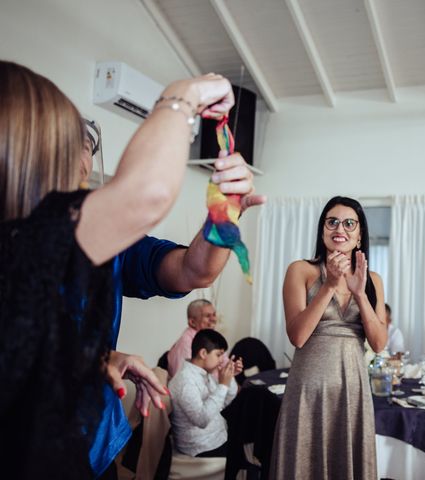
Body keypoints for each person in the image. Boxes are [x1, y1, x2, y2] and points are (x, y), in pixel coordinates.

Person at [0, 61, 264, 479]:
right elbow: (149, 193)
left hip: (93, 443)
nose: (84, 150)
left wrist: (224, 214)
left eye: (86, 141)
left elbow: (194, 272)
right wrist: (181, 96)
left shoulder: (104, 243)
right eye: (72, 137)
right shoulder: (37, 237)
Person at [270, 196, 387, 479]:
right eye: (332, 221)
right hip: (309, 389)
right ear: (323, 230)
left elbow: (379, 343)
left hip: (353, 391)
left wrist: (359, 293)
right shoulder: (301, 270)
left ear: (359, 236)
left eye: (350, 223)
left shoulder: (373, 280)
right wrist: (330, 285)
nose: (340, 228)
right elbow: (297, 336)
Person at [169, 329, 238, 457]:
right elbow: (202, 420)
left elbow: (225, 401)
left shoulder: (203, 372)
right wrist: (223, 385)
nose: (222, 360)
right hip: (201, 447)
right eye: (218, 355)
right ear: (203, 353)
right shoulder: (185, 381)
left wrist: (229, 376)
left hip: (217, 438)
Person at [168, 299, 230, 378]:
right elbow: (184, 377)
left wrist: (231, 368)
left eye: (214, 314)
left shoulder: (211, 336)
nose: (213, 319)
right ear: (192, 322)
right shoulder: (186, 342)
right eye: (207, 316)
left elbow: (225, 365)